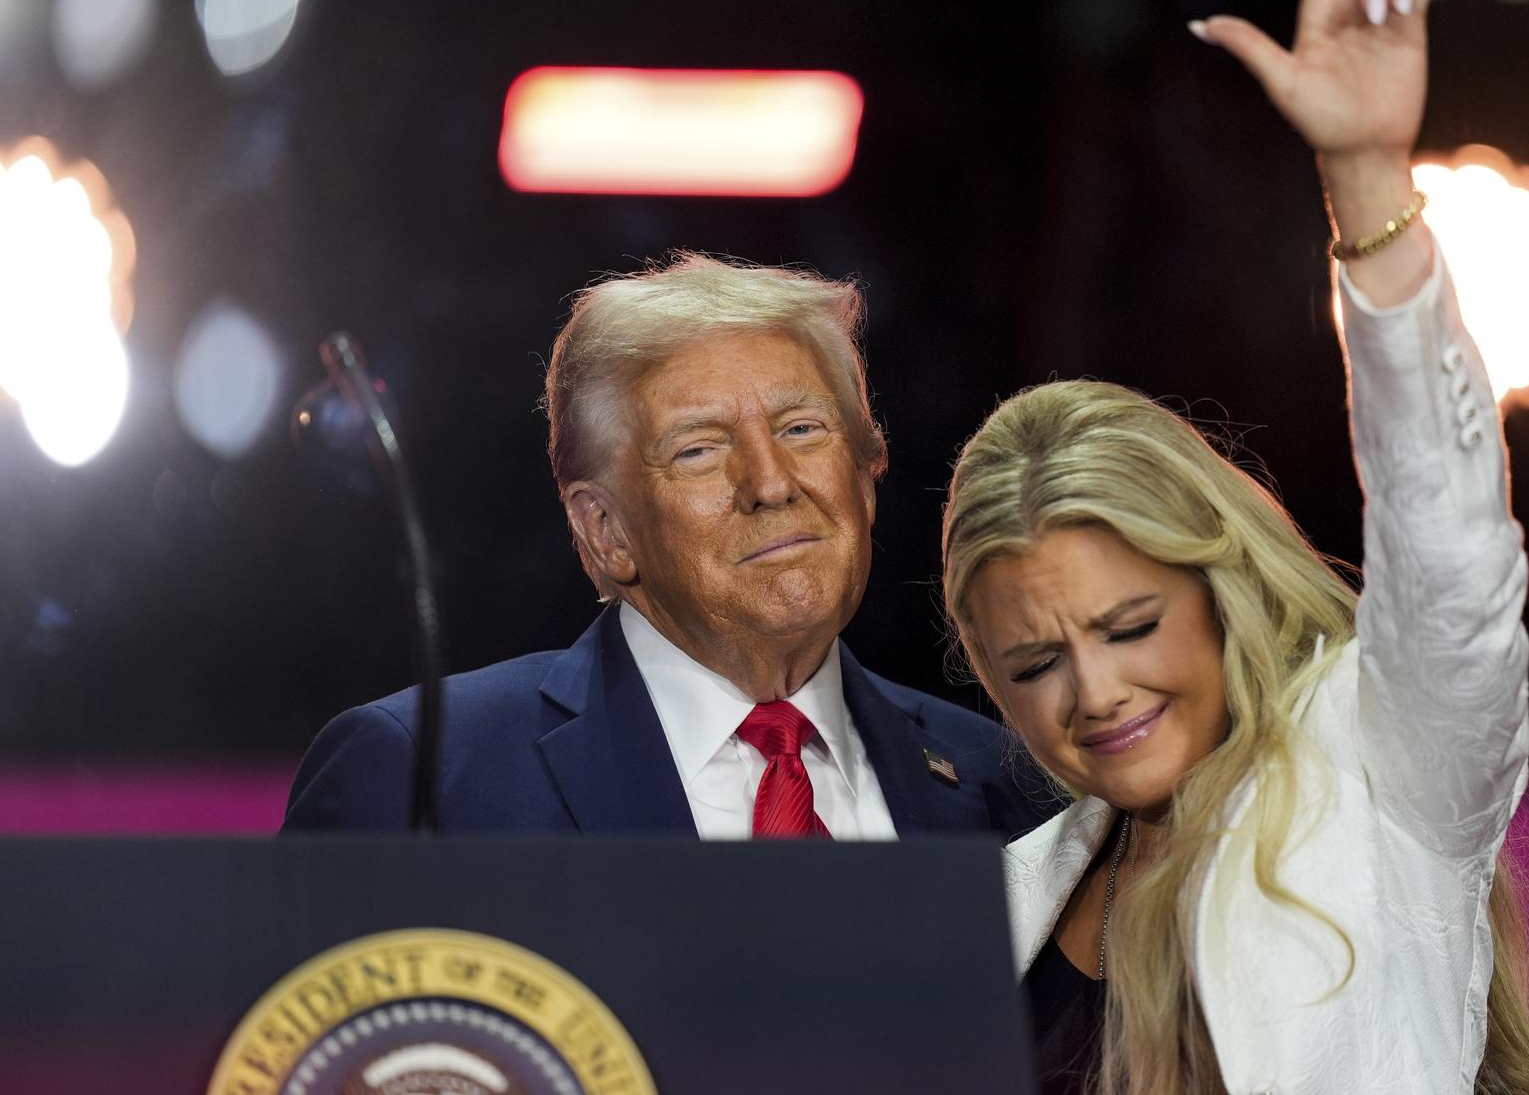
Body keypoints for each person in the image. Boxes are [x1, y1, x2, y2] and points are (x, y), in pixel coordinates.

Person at [940, 0, 1529, 1095]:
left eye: (1131, 625)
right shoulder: (1000, 896)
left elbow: (1447, 550)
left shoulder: (1380, 762)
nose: (1095, 689)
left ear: (1217, 586)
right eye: (1034, 663)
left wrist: (1367, 184)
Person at [285, 256, 1042, 842]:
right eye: (699, 451)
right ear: (604, 531)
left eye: (802, 429)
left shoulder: (1008, 787)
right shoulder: (423, 776)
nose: (771, 482)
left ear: (867, 475)